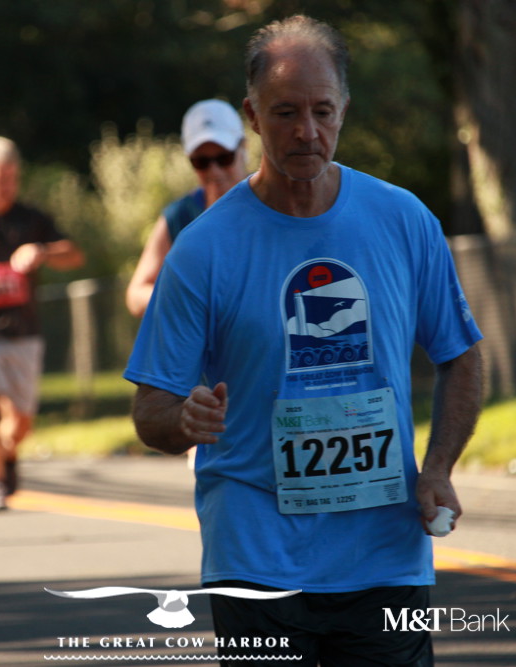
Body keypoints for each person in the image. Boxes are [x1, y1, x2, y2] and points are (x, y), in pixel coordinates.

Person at [124, 15, 484, 667]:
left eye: (322, 111)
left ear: (344, 108)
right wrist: (181, 419)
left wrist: (437, 469)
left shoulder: (403, 221)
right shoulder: (203, 249)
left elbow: (460, 356)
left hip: (384, 553)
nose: (307, 131)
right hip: (256, 556)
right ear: (252, 116)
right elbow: (151, 408)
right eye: (286, 112)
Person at [0, 137, 84, 517]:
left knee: (21, 422)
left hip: (24, 333)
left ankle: (7, 454)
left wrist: (43, 251)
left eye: (12, 178)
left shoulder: (31, 219)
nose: (6, 186)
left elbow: (74, 254)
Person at [125, 99, 248, 317]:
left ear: (243, 147)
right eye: (201, 162)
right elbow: (136, 294)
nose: (214, 171)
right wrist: (184, 300)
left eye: (224, 158)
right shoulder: (180, 215)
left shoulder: (273, 204)